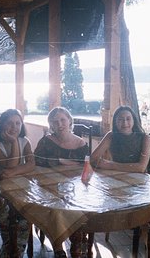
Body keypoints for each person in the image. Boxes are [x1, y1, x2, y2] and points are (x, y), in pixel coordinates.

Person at [90, 105, 150, 258]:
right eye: (120, 120)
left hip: (141, 185)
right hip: (117, 186)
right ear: (115, 122)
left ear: (134, 120)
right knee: (143, 216)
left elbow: (141, 168)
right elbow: (93, 158)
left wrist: (110, 165)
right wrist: (123, 168)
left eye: (128, 119)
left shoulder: (145, 138)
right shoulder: (111, 136)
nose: (124, 123)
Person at [0, 109, 35, 258]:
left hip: (14, 188)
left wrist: (14, 172)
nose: (14, 127)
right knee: (10, 214)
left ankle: (10, 253)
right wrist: (14, 141)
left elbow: (31, 164)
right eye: (9, 123)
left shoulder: (25, 141)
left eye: (17, 123)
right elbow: (10, 165)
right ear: (1, 125)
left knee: (26, 213)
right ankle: (12, 254)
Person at [34, 106, 89, 258]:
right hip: (49, 184)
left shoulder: (81, 144)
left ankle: (78, 238)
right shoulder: (46, 141)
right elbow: (36, 160)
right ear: (51, 124)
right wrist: (61, 160)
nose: (60, 124)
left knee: (78, 205)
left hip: (75, 186)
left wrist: (62, 164)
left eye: (63, 120)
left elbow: (86, 165)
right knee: (54, 208)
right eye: (55, 121)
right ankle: (58, 246)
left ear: (70, 121)